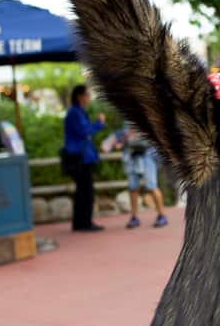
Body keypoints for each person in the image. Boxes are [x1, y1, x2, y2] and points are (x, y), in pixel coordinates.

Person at [63, 84, 105, 232]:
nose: (89, 97)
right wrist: (99, 123)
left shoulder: (79, 112)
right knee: (85, 192)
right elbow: (84, 132)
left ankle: (81, 222)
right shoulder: (74, 113)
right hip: (79, 158)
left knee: (84, 191)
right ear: (79, 96)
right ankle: (84, 223)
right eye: (87, 94)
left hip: (84, 158)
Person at [115, 125, 168, 228]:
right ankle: (134, 217)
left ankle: (161, 215)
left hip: (147, 154)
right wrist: (120, 141)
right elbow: (125, 134)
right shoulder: (127, 118)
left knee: (152, 186)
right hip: (133, 155)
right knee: (132, 187)